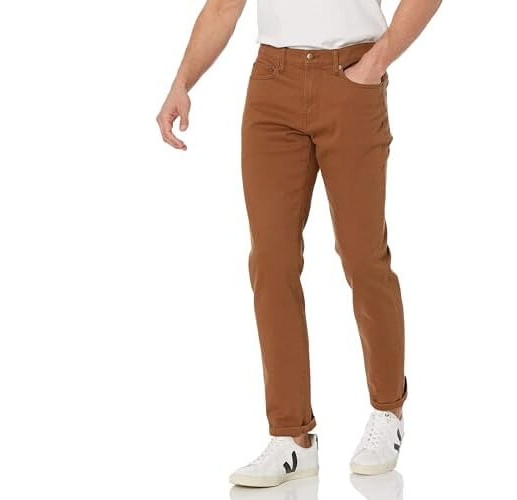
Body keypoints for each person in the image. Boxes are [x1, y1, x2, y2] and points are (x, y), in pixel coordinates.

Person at [157, 0, 441, 488]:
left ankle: (387, 410)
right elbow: (223, 6)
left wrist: (376, 62)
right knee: (271, 262)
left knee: (362, 256)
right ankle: (292, 438)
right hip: (273, 83)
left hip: (352, 76)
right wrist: (182, 82)